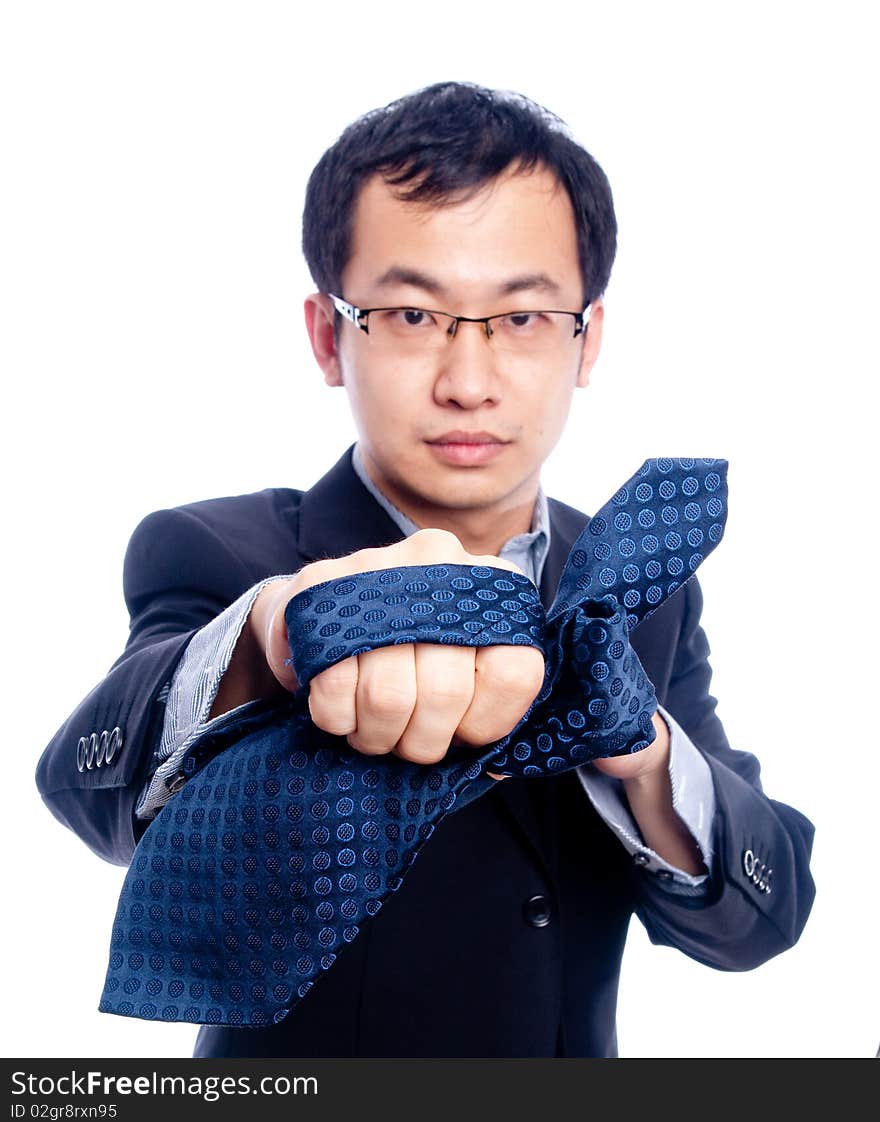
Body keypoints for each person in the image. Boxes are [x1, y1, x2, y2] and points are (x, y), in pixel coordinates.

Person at [35, 81, 815, 1057]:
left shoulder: (637, 585)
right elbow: (89, 788)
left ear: (588, 341)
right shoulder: (220, 552)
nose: (468, 380)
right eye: (409, 315)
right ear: (329, 337)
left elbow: (762, 917)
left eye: (524, 318)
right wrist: (274, 639)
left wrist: (647, 756)